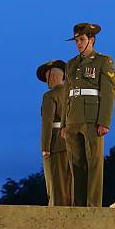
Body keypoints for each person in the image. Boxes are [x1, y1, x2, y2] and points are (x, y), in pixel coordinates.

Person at [60, 23, 115, 207]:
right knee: (76, 166)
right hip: (72, 120)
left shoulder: (103, 61)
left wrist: (104, 122)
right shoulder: (70, 64)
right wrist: (63, 124)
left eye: (81, 40)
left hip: (92, 120)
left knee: (94, 164)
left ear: (91, 40)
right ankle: (79, 207)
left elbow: (108, 93)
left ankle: (93, 207)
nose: (78, 43)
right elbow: (66, 95)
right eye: (76, 40)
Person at [37, 60, 71, 206]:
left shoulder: (49, 96)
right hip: (73, 143)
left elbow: (47, 123)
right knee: (71, 185)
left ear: (52, 76)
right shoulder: (72, 94)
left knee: (55, 186)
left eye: (47, 77)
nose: (47, 81)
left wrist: (45, 147)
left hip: (55, 144)